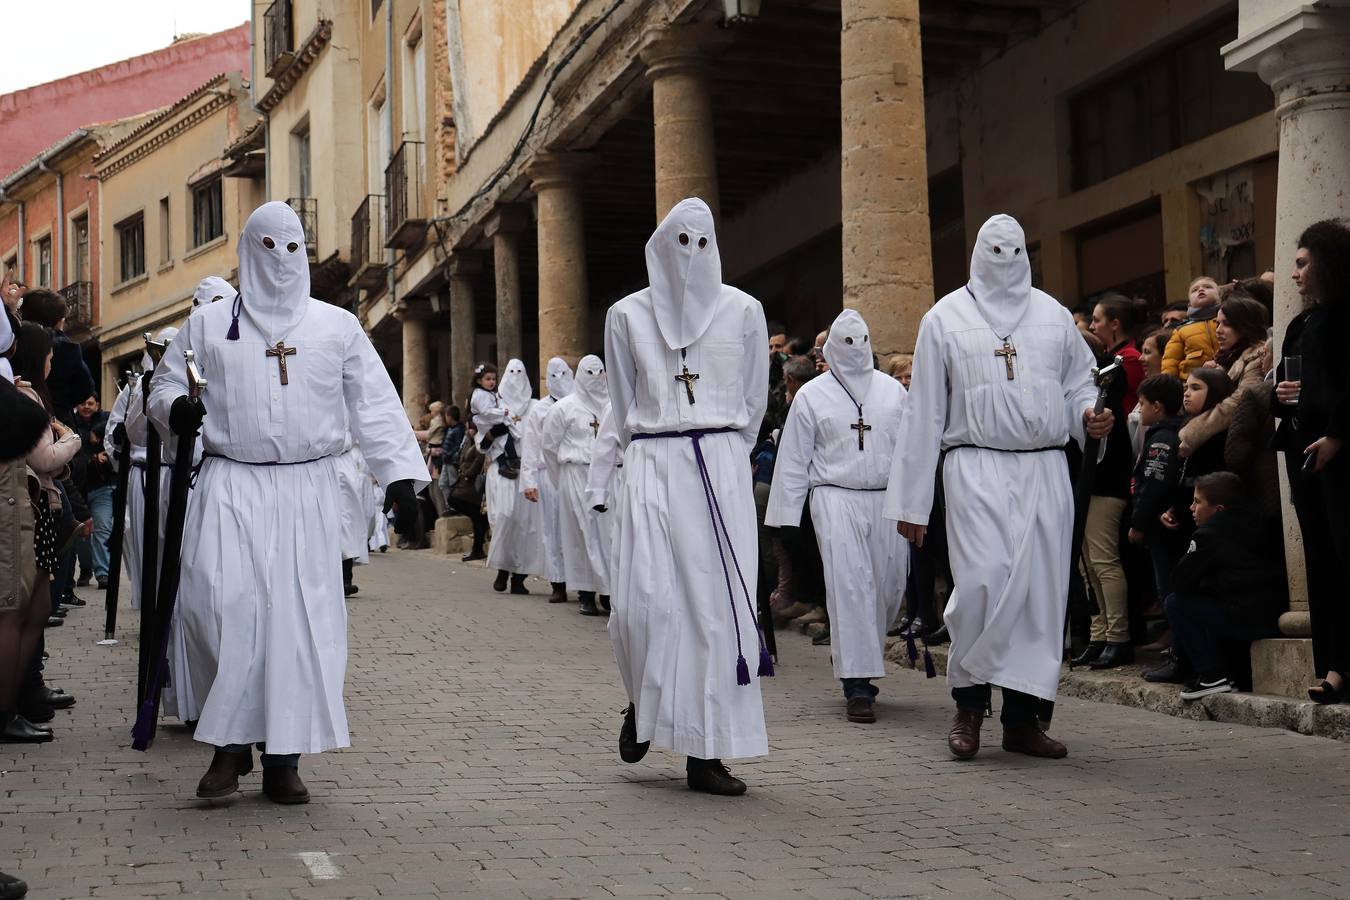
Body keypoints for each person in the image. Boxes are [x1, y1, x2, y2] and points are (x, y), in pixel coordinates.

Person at [147, 202, 426, 804]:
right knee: (216, 605)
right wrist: (175, 409)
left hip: (308, 489)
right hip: (230, 483)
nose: (281, 260)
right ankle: (233, 739)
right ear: (249, 251)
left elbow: (373, 403)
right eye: (268, 247)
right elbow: (166, 385)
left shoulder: (336, 326)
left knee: (298, 623)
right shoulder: (208, 323)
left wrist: (401, 478)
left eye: (292, 247)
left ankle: (277, 757)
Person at [885, 213, 1110, 761]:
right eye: (996, 250)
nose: (1006, 260)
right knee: (982, 582)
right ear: (978, 252)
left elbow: (1080, 377)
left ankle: (1022, 720)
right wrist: (913, 502)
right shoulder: (944, 318)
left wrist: (1086, 415)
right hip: (974, 468)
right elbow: (924, 413)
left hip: (1044, 468)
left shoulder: (1053, 314)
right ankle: (967, 705)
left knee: (1039, 596)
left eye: (1015, 251)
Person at [605, 197, 770, 796]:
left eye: (703, 242)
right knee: (641, 603)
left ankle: (708, 750)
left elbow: (754, 399)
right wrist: (653, 446)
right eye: (681, 242)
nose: (692, 256)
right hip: (651, 458)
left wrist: (725, 449)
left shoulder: (744, 311)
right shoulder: (626, 314)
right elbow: (622, 405)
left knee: (713, 610)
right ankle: (642, 704)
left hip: (719, 466)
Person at [766, 309, 908, 723]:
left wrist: (915, 506)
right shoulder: (812, 395)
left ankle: (854, 655)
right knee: (850, 587)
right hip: (834, 497)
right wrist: (785, 516)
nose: (852, 350)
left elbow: (909, 452)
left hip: (885, 499)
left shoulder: (891, 391)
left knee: (886, 587)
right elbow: (794, 457)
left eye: (859, 342)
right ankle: (857, 686)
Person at [1277, 220, 1350, 704]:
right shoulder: (1300, 323)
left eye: (1303, 263)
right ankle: (1330, 665)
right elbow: (1282, 388)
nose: (1296, 273)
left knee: (1346, 557)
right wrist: (1278, 395)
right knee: (1321, 563)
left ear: (1326, 262)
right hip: (1302, 455)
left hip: (1340, 456)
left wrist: (1337, 436)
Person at [1166, 473, 1284, 700]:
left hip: (1246, 619)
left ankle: (1211, 676)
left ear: (1218, 509)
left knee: (1176, 603)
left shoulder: (1210, 534)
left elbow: (1179, 580)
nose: (1191, 507)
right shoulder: (1262, 522)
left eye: (1197, 502)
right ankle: (1231, 675)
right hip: (1272, 617)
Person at [542, 354, 612, 617]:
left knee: (610, 535)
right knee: (582, 535)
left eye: (600, 372)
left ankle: (610, 591)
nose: (596, 379)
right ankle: (586, 592)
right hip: (576, 473)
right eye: (589, 373)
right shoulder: (563, 408)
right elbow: (549, 448)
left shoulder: (615, 403)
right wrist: (561, 481)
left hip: (610, 477)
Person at [1177, 294, 1270, 459]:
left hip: (1251, 450)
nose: (1218, 331)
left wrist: (1191, 433)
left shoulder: (1257, 358)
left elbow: (1237, 403)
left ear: (1244, 325)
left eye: (1226, 324)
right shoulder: (1225, 358)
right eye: (1217, 323)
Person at [478, 359, 543, 594]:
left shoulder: (535, 406)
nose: (515, 377)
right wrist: (493, 434)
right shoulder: (494, 405)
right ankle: (502, 569)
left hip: (527, 471)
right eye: (511, 372)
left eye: (520, 372)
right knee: (504, 519)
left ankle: (519, 576)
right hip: (502, 471)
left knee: (527, 525)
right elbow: (482, 445)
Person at [521, 358, 575, 604]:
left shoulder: (582, 404)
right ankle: (558, 582)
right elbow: (530, 447)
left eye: (564, 373)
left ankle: (589, 584)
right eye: (554, 375)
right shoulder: (539, 409)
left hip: (576, 472)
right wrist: (529, 481)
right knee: (553, 528)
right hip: (548, 475)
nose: (560, 379)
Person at [17, 288, 95, 426]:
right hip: (57, 418)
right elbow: (85, 388)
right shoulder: (66, 349)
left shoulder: (13, 339)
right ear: (59, 322)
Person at [1161, 277, 1221, 378]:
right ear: (1189, 304)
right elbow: (1171, 361)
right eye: (1195, 290)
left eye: (1208, 287)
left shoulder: (1228, 321)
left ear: (1220, 297)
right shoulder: (1181, 330)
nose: (1201, 290)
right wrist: (1168, 385)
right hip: (1192, 383)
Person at [445, 421, 488, 561]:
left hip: (472, 484)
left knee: (476, 516)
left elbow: (480, 458)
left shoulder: (480, 440)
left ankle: (478, 549)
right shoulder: (470, 441)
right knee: (477, 518)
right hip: (466, 482)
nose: (469, 431)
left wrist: (469, 474)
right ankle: (477, 548)